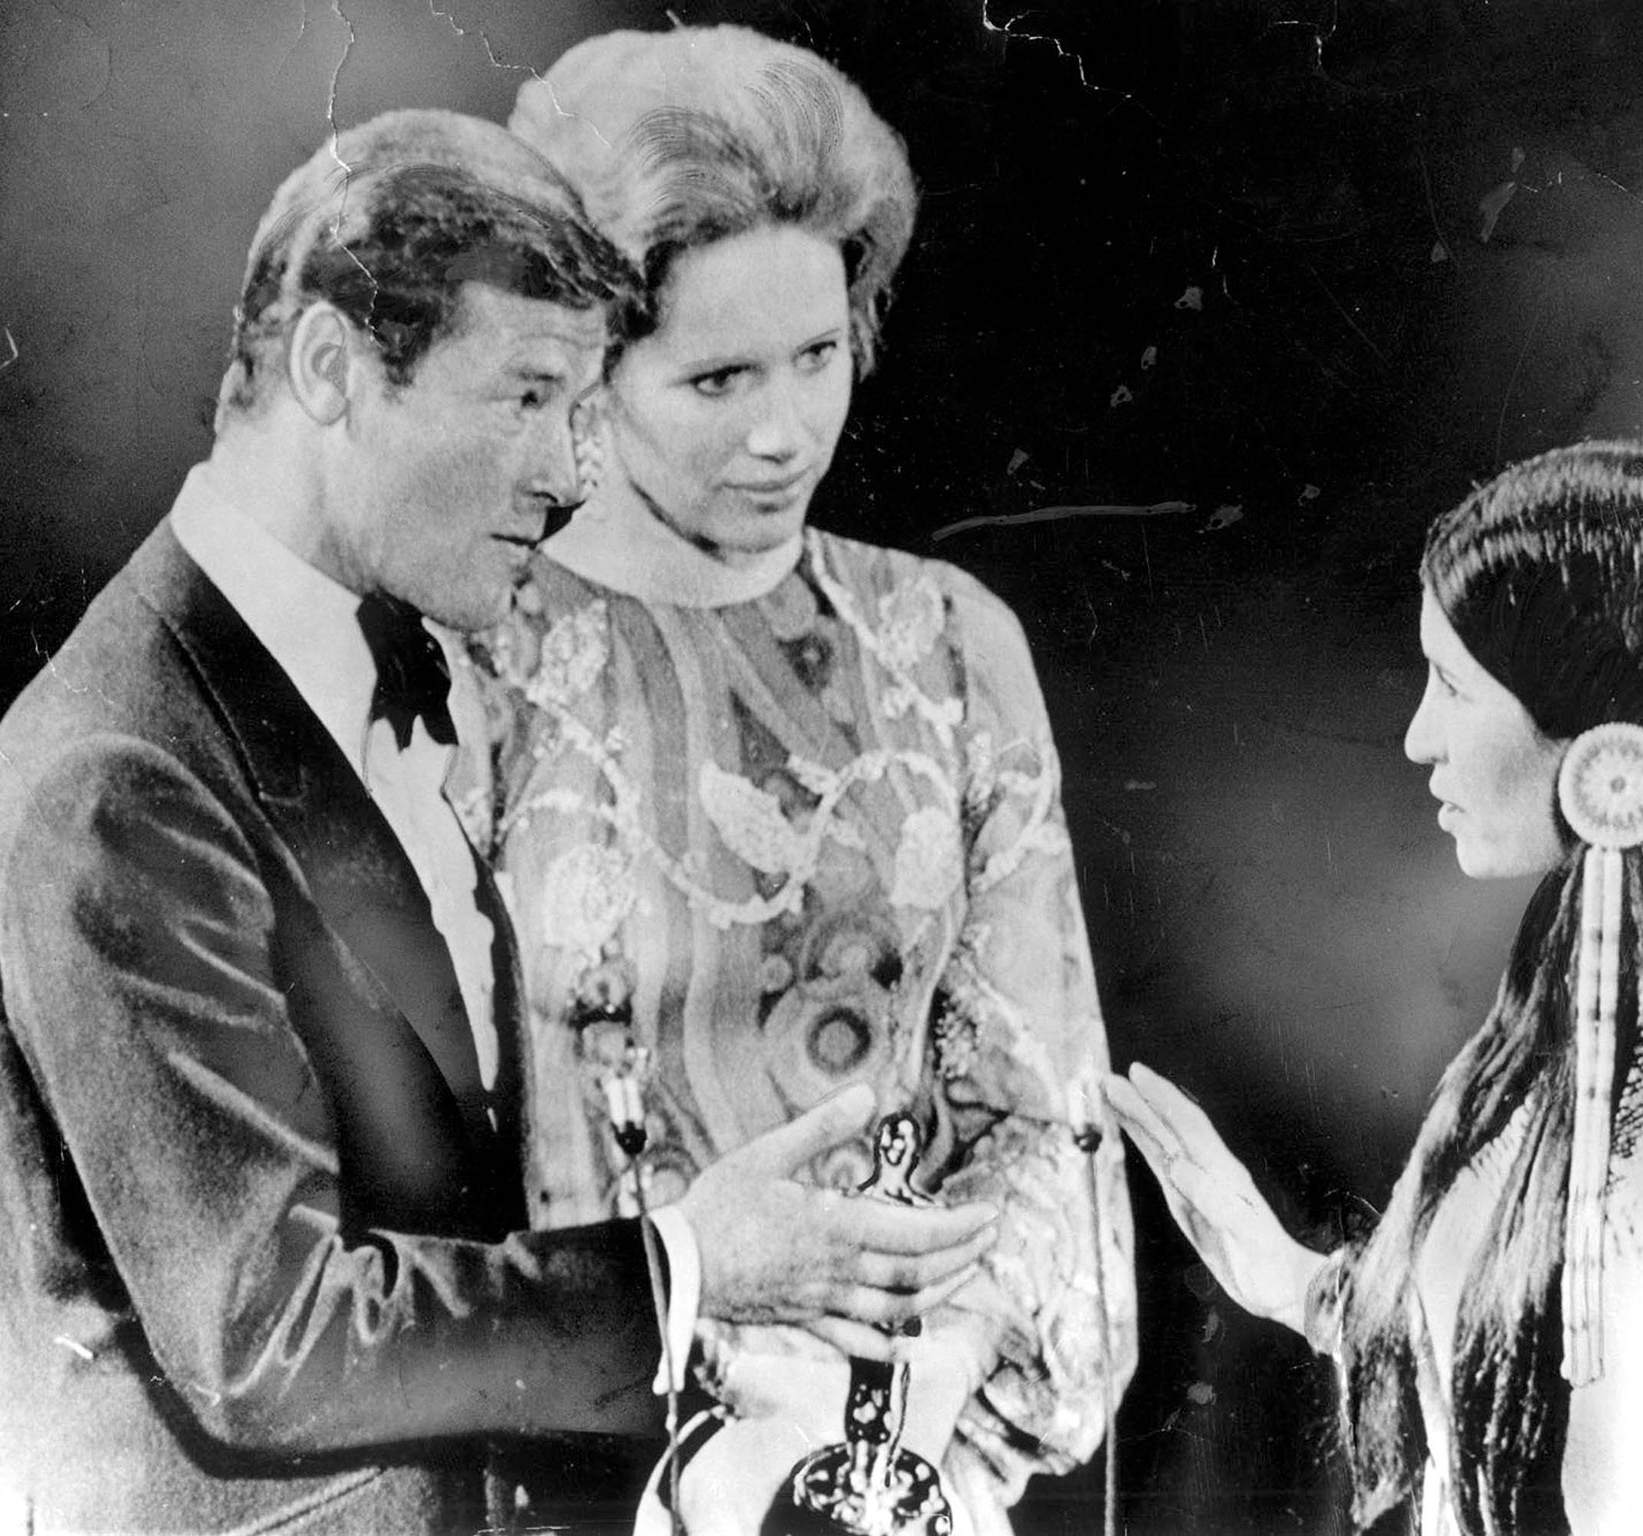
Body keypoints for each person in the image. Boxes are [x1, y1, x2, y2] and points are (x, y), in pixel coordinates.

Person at [0, 108, 1001, 1535]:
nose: (572, 476)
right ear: (329, 368)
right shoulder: (119, 777)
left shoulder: (330, 670)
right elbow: (268, 1338)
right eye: (530, 398)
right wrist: (687, 1268)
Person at [449, 26, 1135, 1535]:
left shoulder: (950, 645)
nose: (786, 431)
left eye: (819, 356)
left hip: (918, 1464)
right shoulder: (476, 659)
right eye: (717, 378)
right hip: (589, 1467)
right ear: (590, 368)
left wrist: (922, 1418)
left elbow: (1043, 1101)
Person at [1108, 441, 1643, 1535]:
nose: (1416, 737)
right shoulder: (1569, 988)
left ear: (1594, 731)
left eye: (1450, 686)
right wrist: (1294, 1284)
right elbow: (1501, 1342)